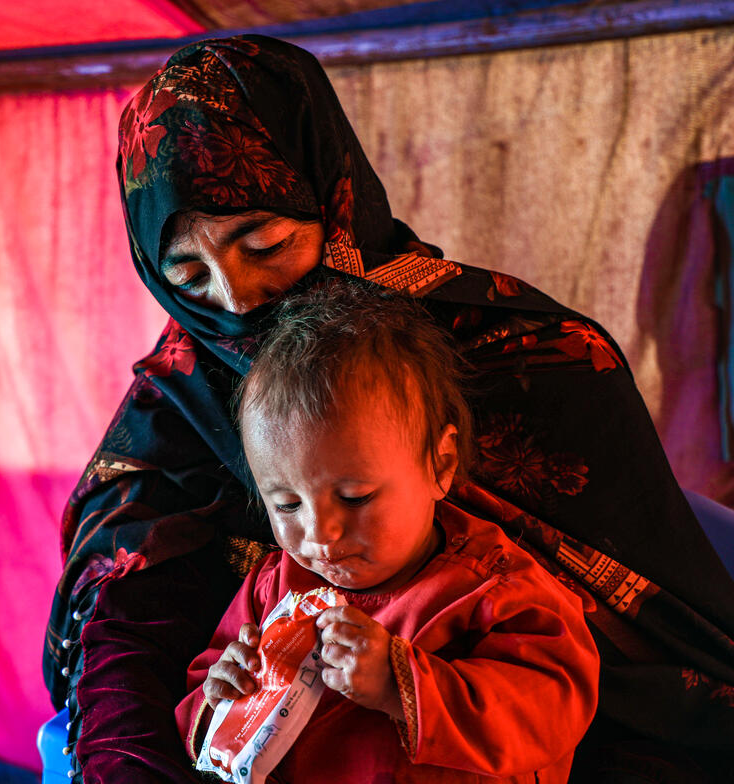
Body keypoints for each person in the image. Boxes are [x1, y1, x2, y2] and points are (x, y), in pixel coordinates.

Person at [44, 34, 734, 783]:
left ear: (328, 198)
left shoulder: (526, 361)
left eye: (265, 242)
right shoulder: (179, 409)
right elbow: (131, 642)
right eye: (189, 274)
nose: (238, 300)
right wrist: (211, 706)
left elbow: (622, 663)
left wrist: (411, 685)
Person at [177, 285, 600, 782]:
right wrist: (220, 691)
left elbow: (552, 710)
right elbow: (202, 692)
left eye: (355, 497)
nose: (321, 535)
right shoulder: (274, 586)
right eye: (287, 504)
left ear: (439, 464)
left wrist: (400, 683)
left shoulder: (494, 589)